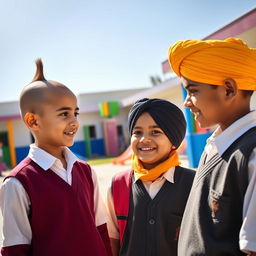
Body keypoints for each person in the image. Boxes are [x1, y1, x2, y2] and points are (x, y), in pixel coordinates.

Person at [0, 59, 112, 256]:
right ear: (33, 120)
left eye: (75, 113)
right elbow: (14, 250)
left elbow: (101, 228)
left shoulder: (85, 171)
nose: (74, 122)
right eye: (64, 114)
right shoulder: (17, 183)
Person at [168, 38, 256, 255]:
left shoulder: (251, 153)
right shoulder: (215, 146)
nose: (186, 102)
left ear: (228, 89)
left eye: (193, 91)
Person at [106, 98, 195, 256]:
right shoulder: (118, 185)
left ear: (173, 140)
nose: (144, 139)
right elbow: (112, 239)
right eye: (137, 132)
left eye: (156, 132)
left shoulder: (194, 184)